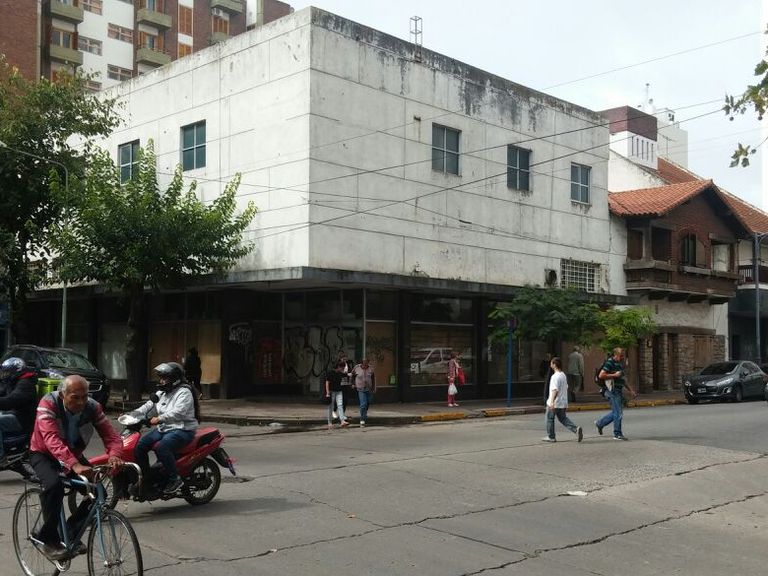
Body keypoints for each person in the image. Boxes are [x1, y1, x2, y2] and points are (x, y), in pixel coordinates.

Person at [30, 375, 123, 561]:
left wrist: (115, 455)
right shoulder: (48, 404)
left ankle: (70, 532)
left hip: (73, 454)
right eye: (75, 397)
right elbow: (51, 439)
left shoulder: (93, 407)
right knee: (54, 486)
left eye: (85, 396)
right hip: (43, 453)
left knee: (98, 493)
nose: (81, 402)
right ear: (62, 395)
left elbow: (111, 436)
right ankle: (48, 540)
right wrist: (74, 465)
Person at [128, 362, 199, 495]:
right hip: (164, 429)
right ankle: (147, 478)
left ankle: (175, 479)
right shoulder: (161, 392)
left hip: (182, 429)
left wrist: (159, 418)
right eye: (160, 378)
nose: (161, 381)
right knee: (140, 446)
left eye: (164, 378)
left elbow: (178, 412)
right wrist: (132, 414)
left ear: (174, 378)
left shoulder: (184, 392)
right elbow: (148, 407)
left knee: (162, 447)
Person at [0, 357, 38, 465]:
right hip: (13, 413)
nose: (5, 374)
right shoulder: (13, 381)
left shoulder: (25, 384)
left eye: (7, 372)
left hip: (22, 418)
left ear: (16, 371)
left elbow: (11, 401)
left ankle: (0, 457)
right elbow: (2, 391)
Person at [594, 347, 637, 441]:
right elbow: (601, 375)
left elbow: (623, 379)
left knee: (617, 412)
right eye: (621, 356)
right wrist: (614, 375)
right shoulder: (610, 362)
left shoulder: (619, 365)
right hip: (611, 391)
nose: (622, 357)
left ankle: (600, 423)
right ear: (616, 355)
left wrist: (631, 390)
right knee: (618, 413)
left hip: (618, 391)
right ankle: (617, 434)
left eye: (623, 356)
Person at [542, 357, 583, 442]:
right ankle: (575, 429)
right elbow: (566, 387)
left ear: (554, 365)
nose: (550, 365)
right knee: (563, 419)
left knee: (549, 418)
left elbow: (555, 390)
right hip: (562, 402)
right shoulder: (563, 375)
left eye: (551, 363)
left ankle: (551, 436)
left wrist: (552, 402)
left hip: (555, 402)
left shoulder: (555, 377)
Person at [351, 358, 375, 427]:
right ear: (361, 364)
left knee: (368, 402)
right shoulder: (357, 368)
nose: (365, 366)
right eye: (364, 364)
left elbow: (373, 378)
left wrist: (374, 387)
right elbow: (352, 376)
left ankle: (364, 412)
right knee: (363, 404)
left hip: (369, 388)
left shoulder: (370, 369)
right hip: (360, 388)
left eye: (366, 364)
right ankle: (362, 419)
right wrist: (352, 383)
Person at [325, 361, 350, 429]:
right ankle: (329, 422)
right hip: (331, 391)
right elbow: (327, 383)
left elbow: (347, 374)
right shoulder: (330, 373)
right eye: (342, 368)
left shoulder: (340, 373)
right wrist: (327, 393)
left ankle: (342, 421)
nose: (343, 369)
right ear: (338, 367)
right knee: (331, 407)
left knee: (340, 405)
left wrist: (350, 374)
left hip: (339, 391)